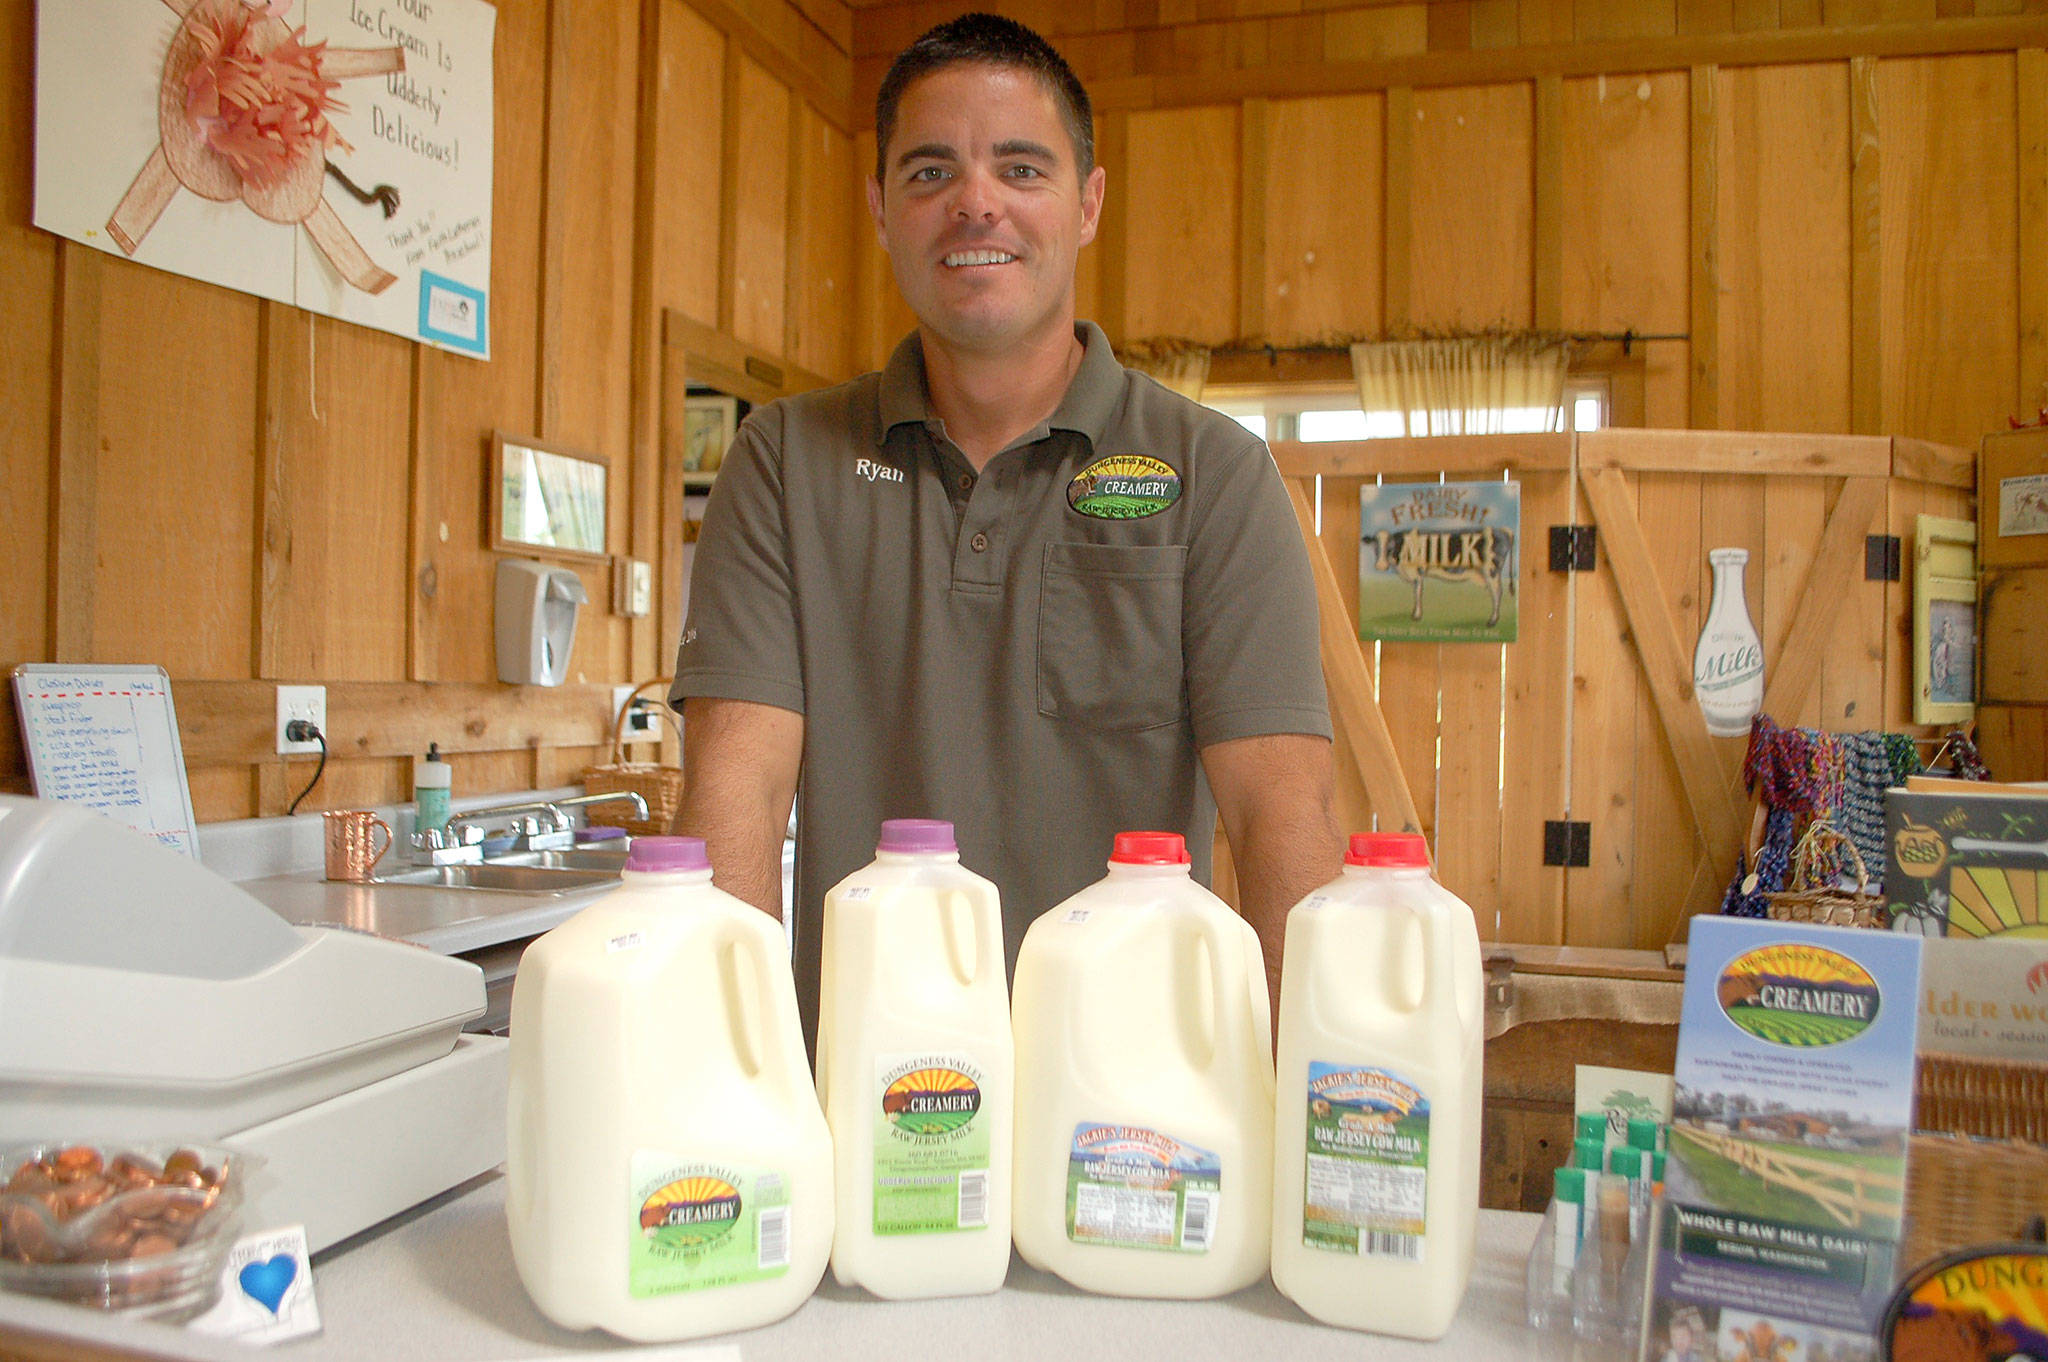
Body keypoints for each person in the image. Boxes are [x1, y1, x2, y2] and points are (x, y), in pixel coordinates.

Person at [669, 12, 1340, 1045]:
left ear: (1087, 204)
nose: (974, 201)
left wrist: (1300, 1125)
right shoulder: (784, 462)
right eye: (929, 172)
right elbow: (736, 797)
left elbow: (1277, 822)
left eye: (1020, 168)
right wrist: (727, 1092)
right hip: (869, 1108)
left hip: (1139, 1125)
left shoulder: (1213, 473)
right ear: (882, 210)